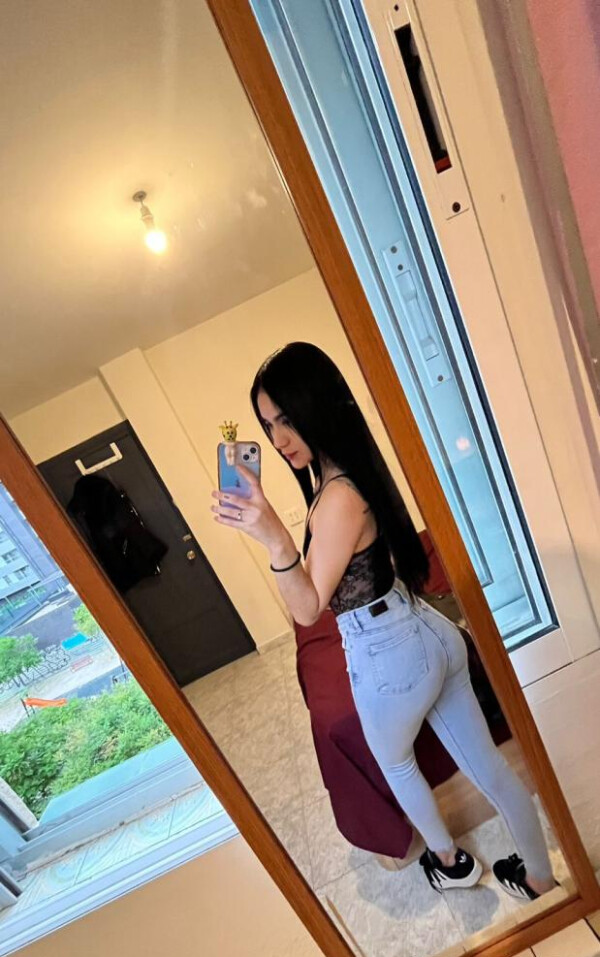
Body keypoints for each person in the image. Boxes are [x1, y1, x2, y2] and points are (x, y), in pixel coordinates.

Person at [211, 342, 554, 900]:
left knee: (396, 765)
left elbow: (307, 609)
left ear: (317, 407)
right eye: (268, 425)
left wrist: (274, 538)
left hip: (389, 656)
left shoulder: (337, 498)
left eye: (287, 420)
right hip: (429, 632)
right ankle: (539, 875)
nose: (277, 439)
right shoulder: (349, 475)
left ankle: (451, 862)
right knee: (488, 768)